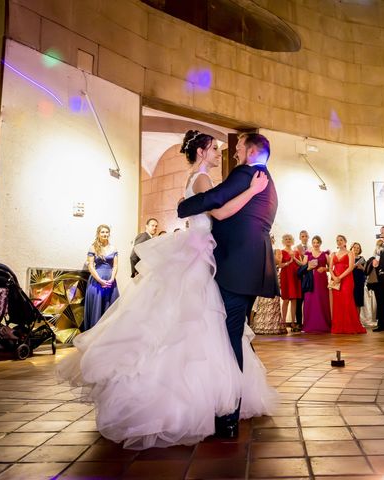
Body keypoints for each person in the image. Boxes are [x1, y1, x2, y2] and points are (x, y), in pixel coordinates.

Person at [58, 131, 276, 449]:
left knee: (199, 320)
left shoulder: (199, 176)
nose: (221, 152)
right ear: (201, 152)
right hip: (202, 253)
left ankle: (221, 401)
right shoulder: (203, 179)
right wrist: (251, 191)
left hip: (204, 251)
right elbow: (219, 211)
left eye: (224, 147)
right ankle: (213, 402)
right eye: (214, 148)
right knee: (201, 321)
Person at [176, 132, 279, 439]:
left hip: (235, 267)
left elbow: (217, 200)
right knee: (227, 333)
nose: (232, 153)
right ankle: (225, 405)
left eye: (237, 148)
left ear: (250, 151)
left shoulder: (248, 173)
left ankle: (228, 413)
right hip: (246, 267)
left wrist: (184, 206)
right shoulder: (266, 182)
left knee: (228, 336)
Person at [83, 225, 119, 330]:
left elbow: (115, 265)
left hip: (110, 282)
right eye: (103, 232)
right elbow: (90, 265)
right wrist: (100, 280)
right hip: (96, 281)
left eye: (107, 232)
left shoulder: (113, 248)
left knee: (110, 308)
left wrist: (112, 279)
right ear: (98, 234)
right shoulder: (93, 247)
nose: (105, 234)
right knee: (97, 308)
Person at [329, 235, 366, 334]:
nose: (339, 242)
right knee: (337, 303)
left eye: (341, 240)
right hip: (336, 280)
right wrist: (334, 277)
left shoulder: (350, 253)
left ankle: (349, 325)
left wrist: (339, 278)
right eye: (337, 240)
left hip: (347, 280)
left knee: (347, 301)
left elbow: (350, 268)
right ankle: (339, 326)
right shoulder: (333, 254)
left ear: (345, 242)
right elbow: (330, 268)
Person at [251, 236, 287, 335]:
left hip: (273, 277)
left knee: (273, 301)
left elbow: (279, 263)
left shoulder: (276, 251)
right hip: (264, 278)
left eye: (271, 240)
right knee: (263, 303)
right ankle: (261, 325)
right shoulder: (260, 250)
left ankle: (274, 326)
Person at [302, 235, 331, 333]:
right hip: (310, 280)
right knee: (310, 301)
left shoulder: (325, 254)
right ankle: (309, 325)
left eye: (317, 242)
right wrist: (309, 266)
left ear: (320, 243)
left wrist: (324, 268)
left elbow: (331, 267)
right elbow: (303, 267)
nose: (315, 244)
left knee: (322, 300)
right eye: (314, 242)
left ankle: (323, 324)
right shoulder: (307, 254)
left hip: (322, 280)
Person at [279, 234, 302, 331]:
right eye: (286, 239)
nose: (288, 240)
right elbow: (279, 265)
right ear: (284, 241)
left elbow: (301, 264)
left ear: (292, 240)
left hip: (295, 277)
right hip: (286, 277)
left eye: (289, 239)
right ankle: (284, 322)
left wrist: (294, 258)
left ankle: (293, 322)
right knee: (286, 300)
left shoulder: (296, 252)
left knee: (294, 300)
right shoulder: (281, 251)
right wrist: (289, 262)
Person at [294, 230, 310, 328]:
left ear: (308, 237)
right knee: (299, 300)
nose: (304, 238)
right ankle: (299, 322)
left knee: (308, 300)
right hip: (299, 277)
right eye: (302, 236)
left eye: (306, 236)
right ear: (300, 237)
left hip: (308, 276)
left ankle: (308, 322)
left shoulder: (311, 248)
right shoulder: (296, 248)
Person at [350, 242, 366, 316]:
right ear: (351, 248)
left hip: (359, 282)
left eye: (358, 248)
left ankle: (357, 321)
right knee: (350, 301)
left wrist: (362, 267)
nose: (356, 249)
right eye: (354, 247)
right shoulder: (348, 258)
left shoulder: (362, 259)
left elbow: (367, 271)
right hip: (350, 281)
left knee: (358, 302)